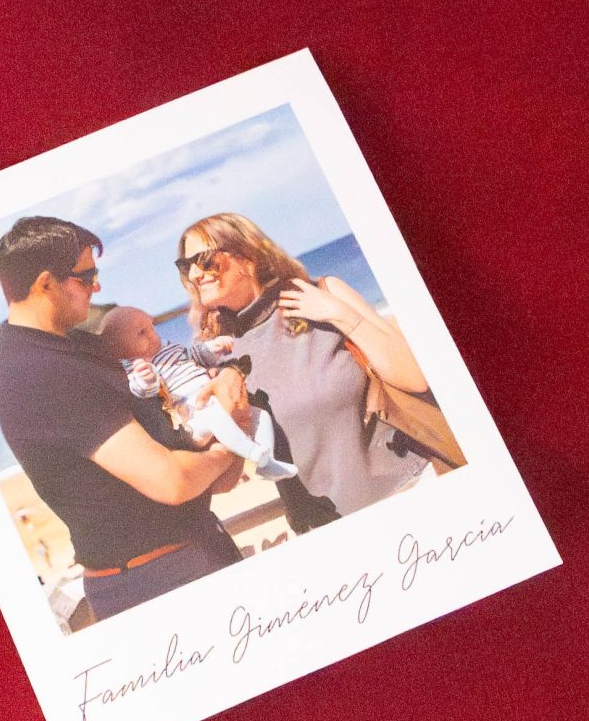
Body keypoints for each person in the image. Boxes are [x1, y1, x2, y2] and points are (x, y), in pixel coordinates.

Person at [0, 215, 251, 626]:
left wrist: (229, 373)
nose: (97, 287)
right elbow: (172, 482)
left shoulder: (72, 347)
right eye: (86, 276)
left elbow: (173, 379)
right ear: (45, 284)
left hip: (185, 556)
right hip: (158, 582)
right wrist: (232, 441)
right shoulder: (42, 373)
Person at [174, 211, 444, 527]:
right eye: (186, 266)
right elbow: (225, 479)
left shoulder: (322, 295)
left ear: (246, 257)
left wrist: (339, 314)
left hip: (411, 492)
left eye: (204, 260)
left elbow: (414, 378)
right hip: (323, 528)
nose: (195, 274)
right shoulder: (216, 356)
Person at [90, 306, 297, 481]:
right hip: (192, 413)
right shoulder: (135, 367)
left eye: (151, 327)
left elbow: (193, 355)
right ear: (120, 348)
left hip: (212, 399)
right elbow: (143, 391)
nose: (152, 333)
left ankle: (267, 463)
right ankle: (256, 455)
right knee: (217, 418)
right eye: (141, 333)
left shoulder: (167, 348)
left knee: (261, 416)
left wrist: (213, 347)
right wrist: (148, 378)